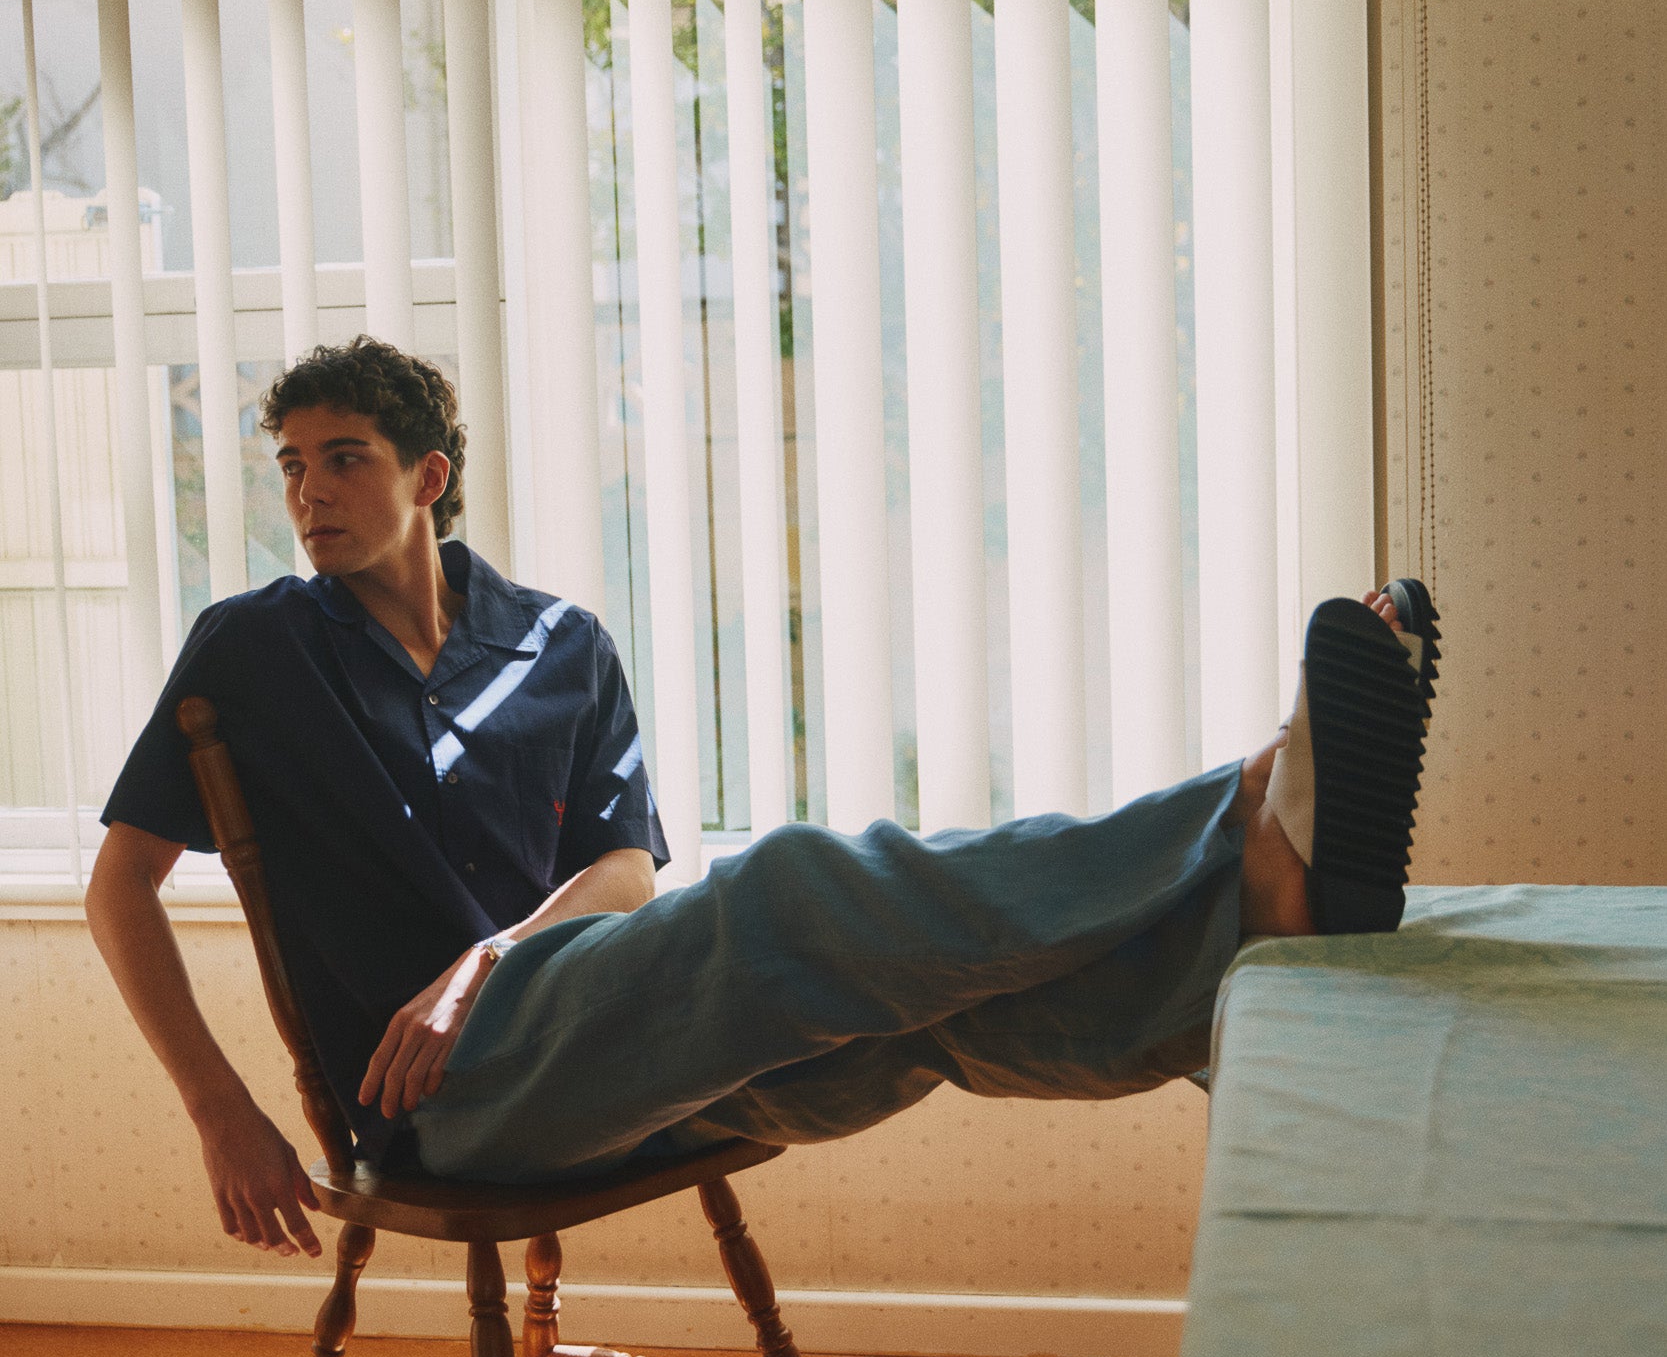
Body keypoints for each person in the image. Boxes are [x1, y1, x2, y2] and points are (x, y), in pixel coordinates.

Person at [87, 339, 1439, 1265]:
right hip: (445, 1104)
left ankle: (1243, 965)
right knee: (790, 887)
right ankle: (1241, 824)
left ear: (428, 478)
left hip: (579, 1021)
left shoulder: (558, 643)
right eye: (290, 464)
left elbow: (625, 869)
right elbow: (120, 888)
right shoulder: (256, 649)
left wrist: (491, 958)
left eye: (343, 459)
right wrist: (224, 1110)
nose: (306, 493)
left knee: (928, 1024)